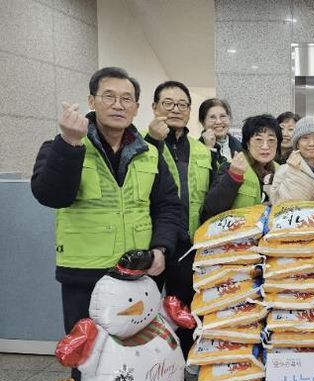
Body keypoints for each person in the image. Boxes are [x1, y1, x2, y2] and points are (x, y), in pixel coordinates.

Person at [31, 66, 180, 351]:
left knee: (136, 355)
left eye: (126, 99)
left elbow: (167, 205)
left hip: (137, 273)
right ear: (91, 101)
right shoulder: (62, 145)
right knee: (87, 357)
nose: (118, 105)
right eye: (109, 96)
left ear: (136, 108)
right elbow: (50, 195)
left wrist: (161, 248)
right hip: (84, 275)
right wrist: (70, 143)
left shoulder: (149, 153)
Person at [144, 80, 217, 357]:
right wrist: (153, 141)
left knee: (185, 311)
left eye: (182, 105)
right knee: (145, 311)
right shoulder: (140, 145)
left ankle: (183, 365)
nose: (176, 110)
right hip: (150, 243)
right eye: (168, 103)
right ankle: (149, 368)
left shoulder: (201, 151)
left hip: (187, 244)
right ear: (154, 107)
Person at [202, 114, 281, 220]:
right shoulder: (231, 166)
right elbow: (211, 209)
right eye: (258, 139)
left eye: (271, 140)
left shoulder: (281, 170)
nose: (265, 146)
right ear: (247, 143)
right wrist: (233, 177)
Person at [270, 116, 314, 204]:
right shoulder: (284, 170)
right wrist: (294, 172)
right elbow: (282, 203)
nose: (311, 143)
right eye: (305, 138)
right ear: (297, 144)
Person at [198, 98, 242, 163]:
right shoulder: (195, 149)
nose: (218, 122)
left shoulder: (241, 147)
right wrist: (209, 149)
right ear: (203, 123)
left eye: (222, 116)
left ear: (229, 118)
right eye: (212, 117)